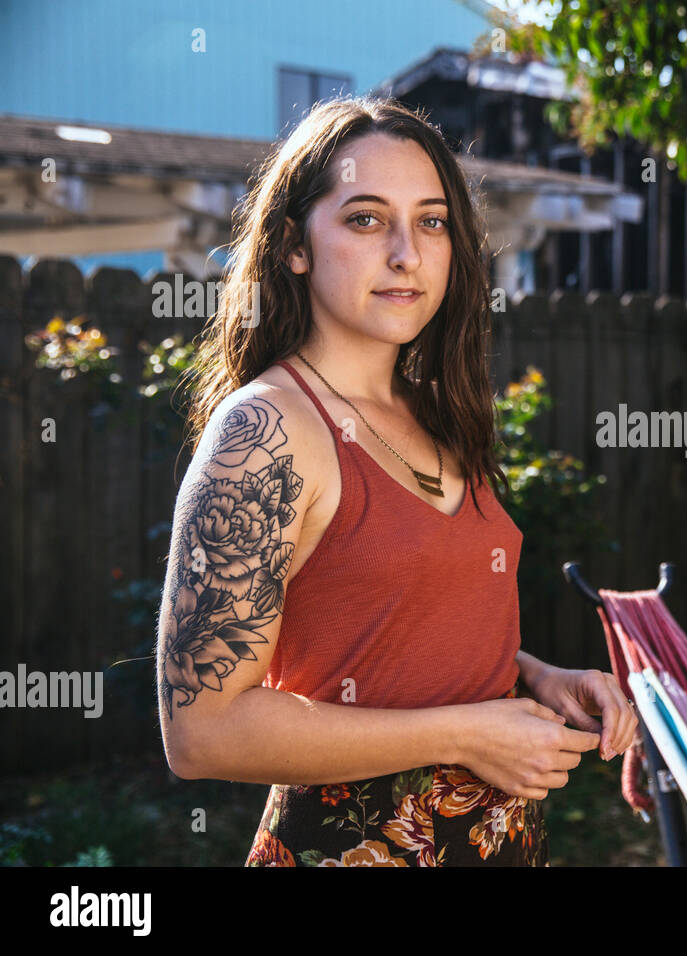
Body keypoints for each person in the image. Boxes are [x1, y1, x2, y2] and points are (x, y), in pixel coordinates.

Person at [154, 95, 637, 867]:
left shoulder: (439, 413)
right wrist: (468, 731)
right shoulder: (266, 431)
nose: (407, 253)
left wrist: (535, 679)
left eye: (433, 221)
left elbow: (397, 635)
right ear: (294, 246)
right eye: (366, 219)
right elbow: (201, 732)